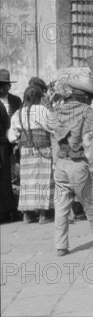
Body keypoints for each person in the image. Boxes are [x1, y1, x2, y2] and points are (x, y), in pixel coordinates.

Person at [48, 74, 93, 256]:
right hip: (79, 165)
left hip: (60, 165)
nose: (91, 101)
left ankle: (61, 246)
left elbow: (54, 141)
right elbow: (88, 140)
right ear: (84, 97)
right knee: (91, 203)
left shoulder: (57, 112)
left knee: (61, 207)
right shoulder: (86, 111)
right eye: (90, 97)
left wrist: (55, 165)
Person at [8, 86, 54, 224]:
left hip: (26, 151)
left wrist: (17, 140)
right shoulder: (43, 110)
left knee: (28, 182)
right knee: (43, 180)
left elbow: (13, 133)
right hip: (42, 150)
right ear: (40, 98)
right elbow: (52, 126)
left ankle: (27, 215)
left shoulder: (19, 112)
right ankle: (43, 215)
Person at [0, 69, 22, 223]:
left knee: (14, 176)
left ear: (9, 86)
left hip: (13, 143)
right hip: (1, 144)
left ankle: (13, 209)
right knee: (4, 177)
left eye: (4, 85)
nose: (2, 88)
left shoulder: (15, 100)